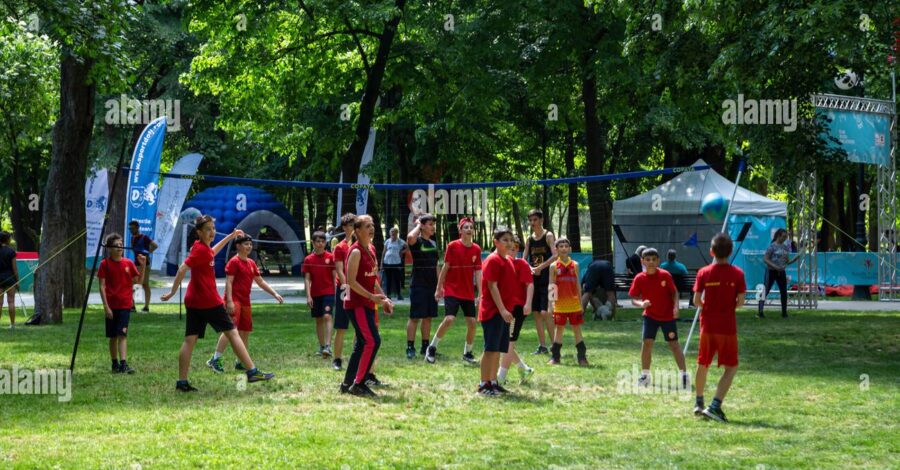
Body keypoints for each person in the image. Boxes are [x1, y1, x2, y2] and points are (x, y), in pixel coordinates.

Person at [160, 215, 274, 392]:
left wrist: (230, 236)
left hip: (193, 300)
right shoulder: (200, 250)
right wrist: (173, 291)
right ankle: (251, 371)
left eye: (213, 228)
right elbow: (183, 268)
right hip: (208, 301)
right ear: (199, 232)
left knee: (190, 339)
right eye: (208, 229)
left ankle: (181, 382)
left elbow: (212, 252)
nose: (212, 232)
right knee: (233, 333)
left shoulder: (200, 248)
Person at [207, 235, 284, 373]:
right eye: (246, 244)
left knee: (245, 331)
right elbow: (229, 282)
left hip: (245, 301)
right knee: (230, 330)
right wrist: (229, 301)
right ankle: (215, 359)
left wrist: (274, 293)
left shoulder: (251, 263)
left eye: (250, 244)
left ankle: (241, 361)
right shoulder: (234, 262)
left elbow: (260, 281)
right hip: (234, 300)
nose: (249, 246)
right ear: (238, 246)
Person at [693, 233, 746, 423]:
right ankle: (715, 406)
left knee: (703, 363)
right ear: (731, 252)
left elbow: (696, 300)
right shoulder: (738, 273)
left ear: (711, 251)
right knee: (731, 367)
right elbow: (740, 302)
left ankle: (698, 402)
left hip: (707, 325)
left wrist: (708, 305)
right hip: (727, 327)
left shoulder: (703, 272)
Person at [340, 215, 394, 397]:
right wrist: (372, 297)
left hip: (367, 303)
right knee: (372, 341)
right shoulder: (355, 252)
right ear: (357, 231)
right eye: (367, 226)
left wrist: (384, 298)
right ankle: (359, 383)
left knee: (363, 343)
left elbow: (373, 279)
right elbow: (351, 282)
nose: (372, 229)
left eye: (372, 225)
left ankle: (347, 383)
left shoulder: (371, 248)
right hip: (356, 304)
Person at [628, 247, 688, 389]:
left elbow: (674, 293)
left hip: (667, 317)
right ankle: (645, 375)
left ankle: (684, 375)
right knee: (647, 343)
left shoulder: (665, 275)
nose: (651, 262)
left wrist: (676, 307)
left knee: (674, 345)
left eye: (654, 260)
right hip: (650, 316)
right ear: (642, 261)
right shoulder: (639, 278)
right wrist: (641, 303)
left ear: (658, 261)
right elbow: (633, 299)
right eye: (647, 260)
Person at [427, 218, 482, 364]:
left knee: (472, 322)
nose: (469, 229)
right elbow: (445, 268)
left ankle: (467, 353)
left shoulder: (476, 249)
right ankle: (432, 347)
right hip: (452, 289)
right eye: (466, 227)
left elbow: (478, 273)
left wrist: (481, 294)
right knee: (450, 318)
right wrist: (439, 288)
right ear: (460, 230)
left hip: (468, 291)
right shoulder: (452, 246)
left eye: (471, 227)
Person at [477, 227, 517, 396]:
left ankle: (493, 382)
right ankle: (483, 384)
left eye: (510, 239)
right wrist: (501, 310)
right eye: (504, 240)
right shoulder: (493, 260)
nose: (509, 243)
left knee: (498, 349)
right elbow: (492, 287)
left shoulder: (507, 260)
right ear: (495, 242)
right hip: (493, 312)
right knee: (490, 349)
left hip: (504, 312)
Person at [98, 233, 145, 374]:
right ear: (109, 248)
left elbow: (138, 282)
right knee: (113, 337)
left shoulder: (128, 263)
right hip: (111, 306)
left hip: (125, 305)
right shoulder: (104, 264)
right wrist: (106, 306)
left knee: (122, 335)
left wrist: (142, 266)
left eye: (121, 244)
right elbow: (102, 286)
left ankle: (123, 363)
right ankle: (115, 364)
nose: (120, 247)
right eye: (116, 245)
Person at [498, 237, 535, 385]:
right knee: (503, 342)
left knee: (508, 343)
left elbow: (530, 285)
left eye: (513, 248)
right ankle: (524, 369)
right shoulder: (500, 263)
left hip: (517, 309)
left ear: (518, 250)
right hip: (503, 308)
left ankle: (501, 377)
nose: (510, 251)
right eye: (508, 248)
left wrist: (528, 303)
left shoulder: (521, 264)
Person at [547, 237, 588, 366]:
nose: (564, 248)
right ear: (556, 249)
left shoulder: (575, 265)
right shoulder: (553, 266)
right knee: (559, 330)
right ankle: (555, 357)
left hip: (574, 305)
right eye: (561, 246)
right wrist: (551, 304)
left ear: (570, 249)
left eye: (566, 246)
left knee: (576, 329)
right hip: (559, 305)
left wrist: (581, 304)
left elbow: (577, 286)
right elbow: (552, 286)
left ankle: (582, 357)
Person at [406, 213, 440, 359]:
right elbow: (409, 238)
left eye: (434, 224)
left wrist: (440, 285)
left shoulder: (433, 243)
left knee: (428, 317)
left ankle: (425, 346)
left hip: (432, 286)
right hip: (418, 284)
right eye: (430, 224)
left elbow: (437, 265)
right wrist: (419, 224)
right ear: (423, 226)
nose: (433, 227)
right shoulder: (417, 241)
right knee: (415, 317)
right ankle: (410, 347)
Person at [523, 209, 556, 355]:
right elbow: (524, 258)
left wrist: (540, 267)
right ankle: (542, 346)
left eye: (535, 220)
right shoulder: (529, 239)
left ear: (541, 220)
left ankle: (555, 345)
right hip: (533, 280)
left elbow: (555, 256)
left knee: (546, 313)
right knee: (536, 313)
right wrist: (530, 268)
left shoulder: (548, 236)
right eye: (530, 220)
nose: (532, 223)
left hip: (547, 279)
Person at [331, 213, 357, 371]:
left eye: (353, 225)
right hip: (344, 288)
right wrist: (347, 286)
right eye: (347, 226)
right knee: (341, 326)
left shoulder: (362, 245)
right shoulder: (340, 247)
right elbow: (339, 270)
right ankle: (337, 359)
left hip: (358, 289)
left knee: (359, 326)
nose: (350, 229)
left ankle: (357, 356)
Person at [303, 231, 336, 357]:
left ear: (326, 242)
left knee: (327, 316)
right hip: (315, 293)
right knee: (318, 320)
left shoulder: (331, 257)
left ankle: (328, 346)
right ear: (313, 243)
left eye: (323, 241)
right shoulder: (308, 259)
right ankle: (322, 347)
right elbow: (307, 278)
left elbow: (334, 277)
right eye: (318, 241)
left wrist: (337, 292)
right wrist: (308, 295)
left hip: (329, 292)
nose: (320, 244)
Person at [759, 228, 800, 319]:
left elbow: (787, 261)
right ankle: (760, 312)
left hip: (781, 272)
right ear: (778, 236)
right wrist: (775, 266)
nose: (785, 238)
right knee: (765, 291)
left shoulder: (785, 247)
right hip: (771, 271)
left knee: (784, 292)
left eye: (786, 237)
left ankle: (784, 313)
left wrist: (795, 259)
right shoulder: (772, 246)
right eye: (784, 236)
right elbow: (765, 259)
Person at [128, 220, 158, 313]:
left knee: (145, 285)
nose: (131, 230)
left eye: (132, 228)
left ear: (137, 228)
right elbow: (134, 250)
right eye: (130, 229)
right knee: (133, 285)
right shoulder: (132, 238)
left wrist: (148, 252)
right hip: (136, 264)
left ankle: (146, 307)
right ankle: (132, 306)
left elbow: (155, 245)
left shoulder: (144, 237)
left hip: (145, 264)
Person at [381, 227, 407, 300]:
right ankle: (388, 295)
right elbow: (384, 252)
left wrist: (401, 252)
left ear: (397, 233)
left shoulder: (400, 241)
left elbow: (407, 248)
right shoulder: (387, 241)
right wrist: (381, 263)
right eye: (391, 232)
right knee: (388, 279)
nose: (392, 233)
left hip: (396, 263)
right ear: (390, 233)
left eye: (394, 232)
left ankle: (399, 295)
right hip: (387, 263)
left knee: (397, 279)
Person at [0, 232, 19, 329]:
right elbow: (14, 268)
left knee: (0, 302)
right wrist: (17, 281)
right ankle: (12, 324)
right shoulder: (11, 251)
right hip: (10, 279)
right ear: (7, 240)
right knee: (11, 301)